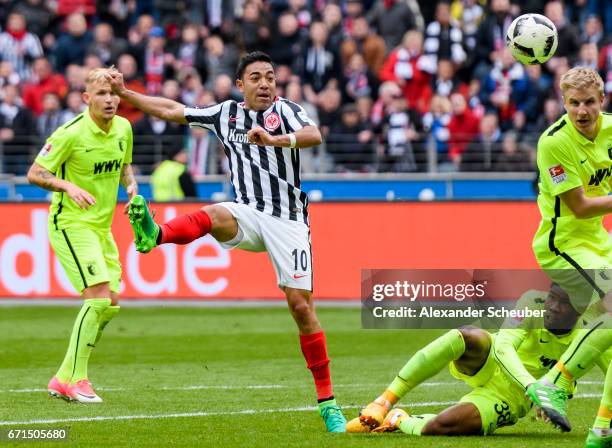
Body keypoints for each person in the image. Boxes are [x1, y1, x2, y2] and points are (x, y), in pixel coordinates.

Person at [105, 51, 346, 432]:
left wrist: (273, 139)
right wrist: (127, 95)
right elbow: (172, 110)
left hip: (288, 220)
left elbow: (314, 135)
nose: (265, 83)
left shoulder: (287, 112)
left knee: (301, 307)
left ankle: (328, 402)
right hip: (248, 212)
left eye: (270, 76)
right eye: (256, 77)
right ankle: (156, 233)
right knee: (215, 213)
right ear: (240, 85)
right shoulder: (225, 114)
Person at [348, 285, 610, 436]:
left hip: (510, 396)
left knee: (441, 427)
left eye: (562, 303)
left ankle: (398, 419)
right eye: (552, 296)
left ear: (579, 309)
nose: (551, 306)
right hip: (493, 359)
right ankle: (382, 402)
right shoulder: (533, 301)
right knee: (467, 336)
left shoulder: (591, 332)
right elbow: (504, 347)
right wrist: (536, 387)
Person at [26, 67, 137, 403]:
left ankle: (63, 377)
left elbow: (124, 166)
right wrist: (66, 185)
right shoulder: (69, 133)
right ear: (86, 99)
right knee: (99, 297)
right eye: (101, 94)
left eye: (113, 94)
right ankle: (78, 380)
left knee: (111, 304)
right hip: (70, 223)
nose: (109, 100)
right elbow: (35, 173)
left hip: (101, 227)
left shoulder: (123, 128)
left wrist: (132, 187)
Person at [524, 67, 612, 447]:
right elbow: (579, 208)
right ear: (563, 103)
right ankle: (556, 382)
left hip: (599, 241)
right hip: (562, 245)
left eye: (589, 102)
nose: (582, 111)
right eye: (574, 103)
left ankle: (601, 431)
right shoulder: (553, 142)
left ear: (601, 101)